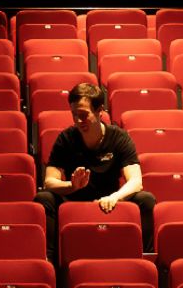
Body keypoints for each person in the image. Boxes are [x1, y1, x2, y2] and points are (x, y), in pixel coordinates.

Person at [37, 81, 155, 249]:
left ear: (100, 111)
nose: (78, 120)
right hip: (74, 201)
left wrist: (114, 197)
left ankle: (145, 259)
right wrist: (72, 185)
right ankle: (52, 261)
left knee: (146, 199)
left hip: (109, 201)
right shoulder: (66, 138)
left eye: (84, 115)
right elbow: (49, 181)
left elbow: (136, 181)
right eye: (74, 115)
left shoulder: (119, 137)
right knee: (44, 198)